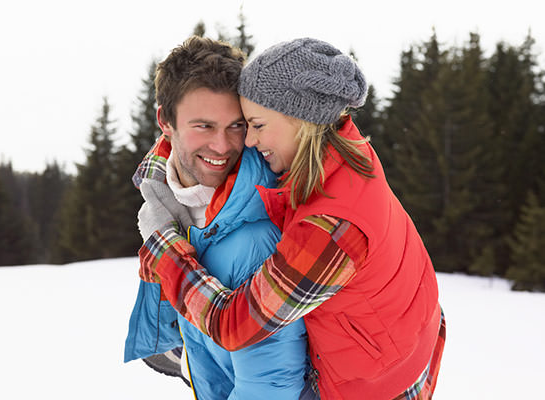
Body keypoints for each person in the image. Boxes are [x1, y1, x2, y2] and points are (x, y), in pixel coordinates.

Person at [137, 37, 446, 400]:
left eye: (254, 124)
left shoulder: (331, 229)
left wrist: (167, 255)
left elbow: (235, 325)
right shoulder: (334, 146)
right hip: (396, 338)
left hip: (372, 386)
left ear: (302, 121)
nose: (248, 141)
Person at [123, 36, 311, 400]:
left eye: (236, 126)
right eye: (204, 126)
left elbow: (269, 388)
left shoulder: (254, 236)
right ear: (165, 121)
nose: (223, 147)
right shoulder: (162, 205)